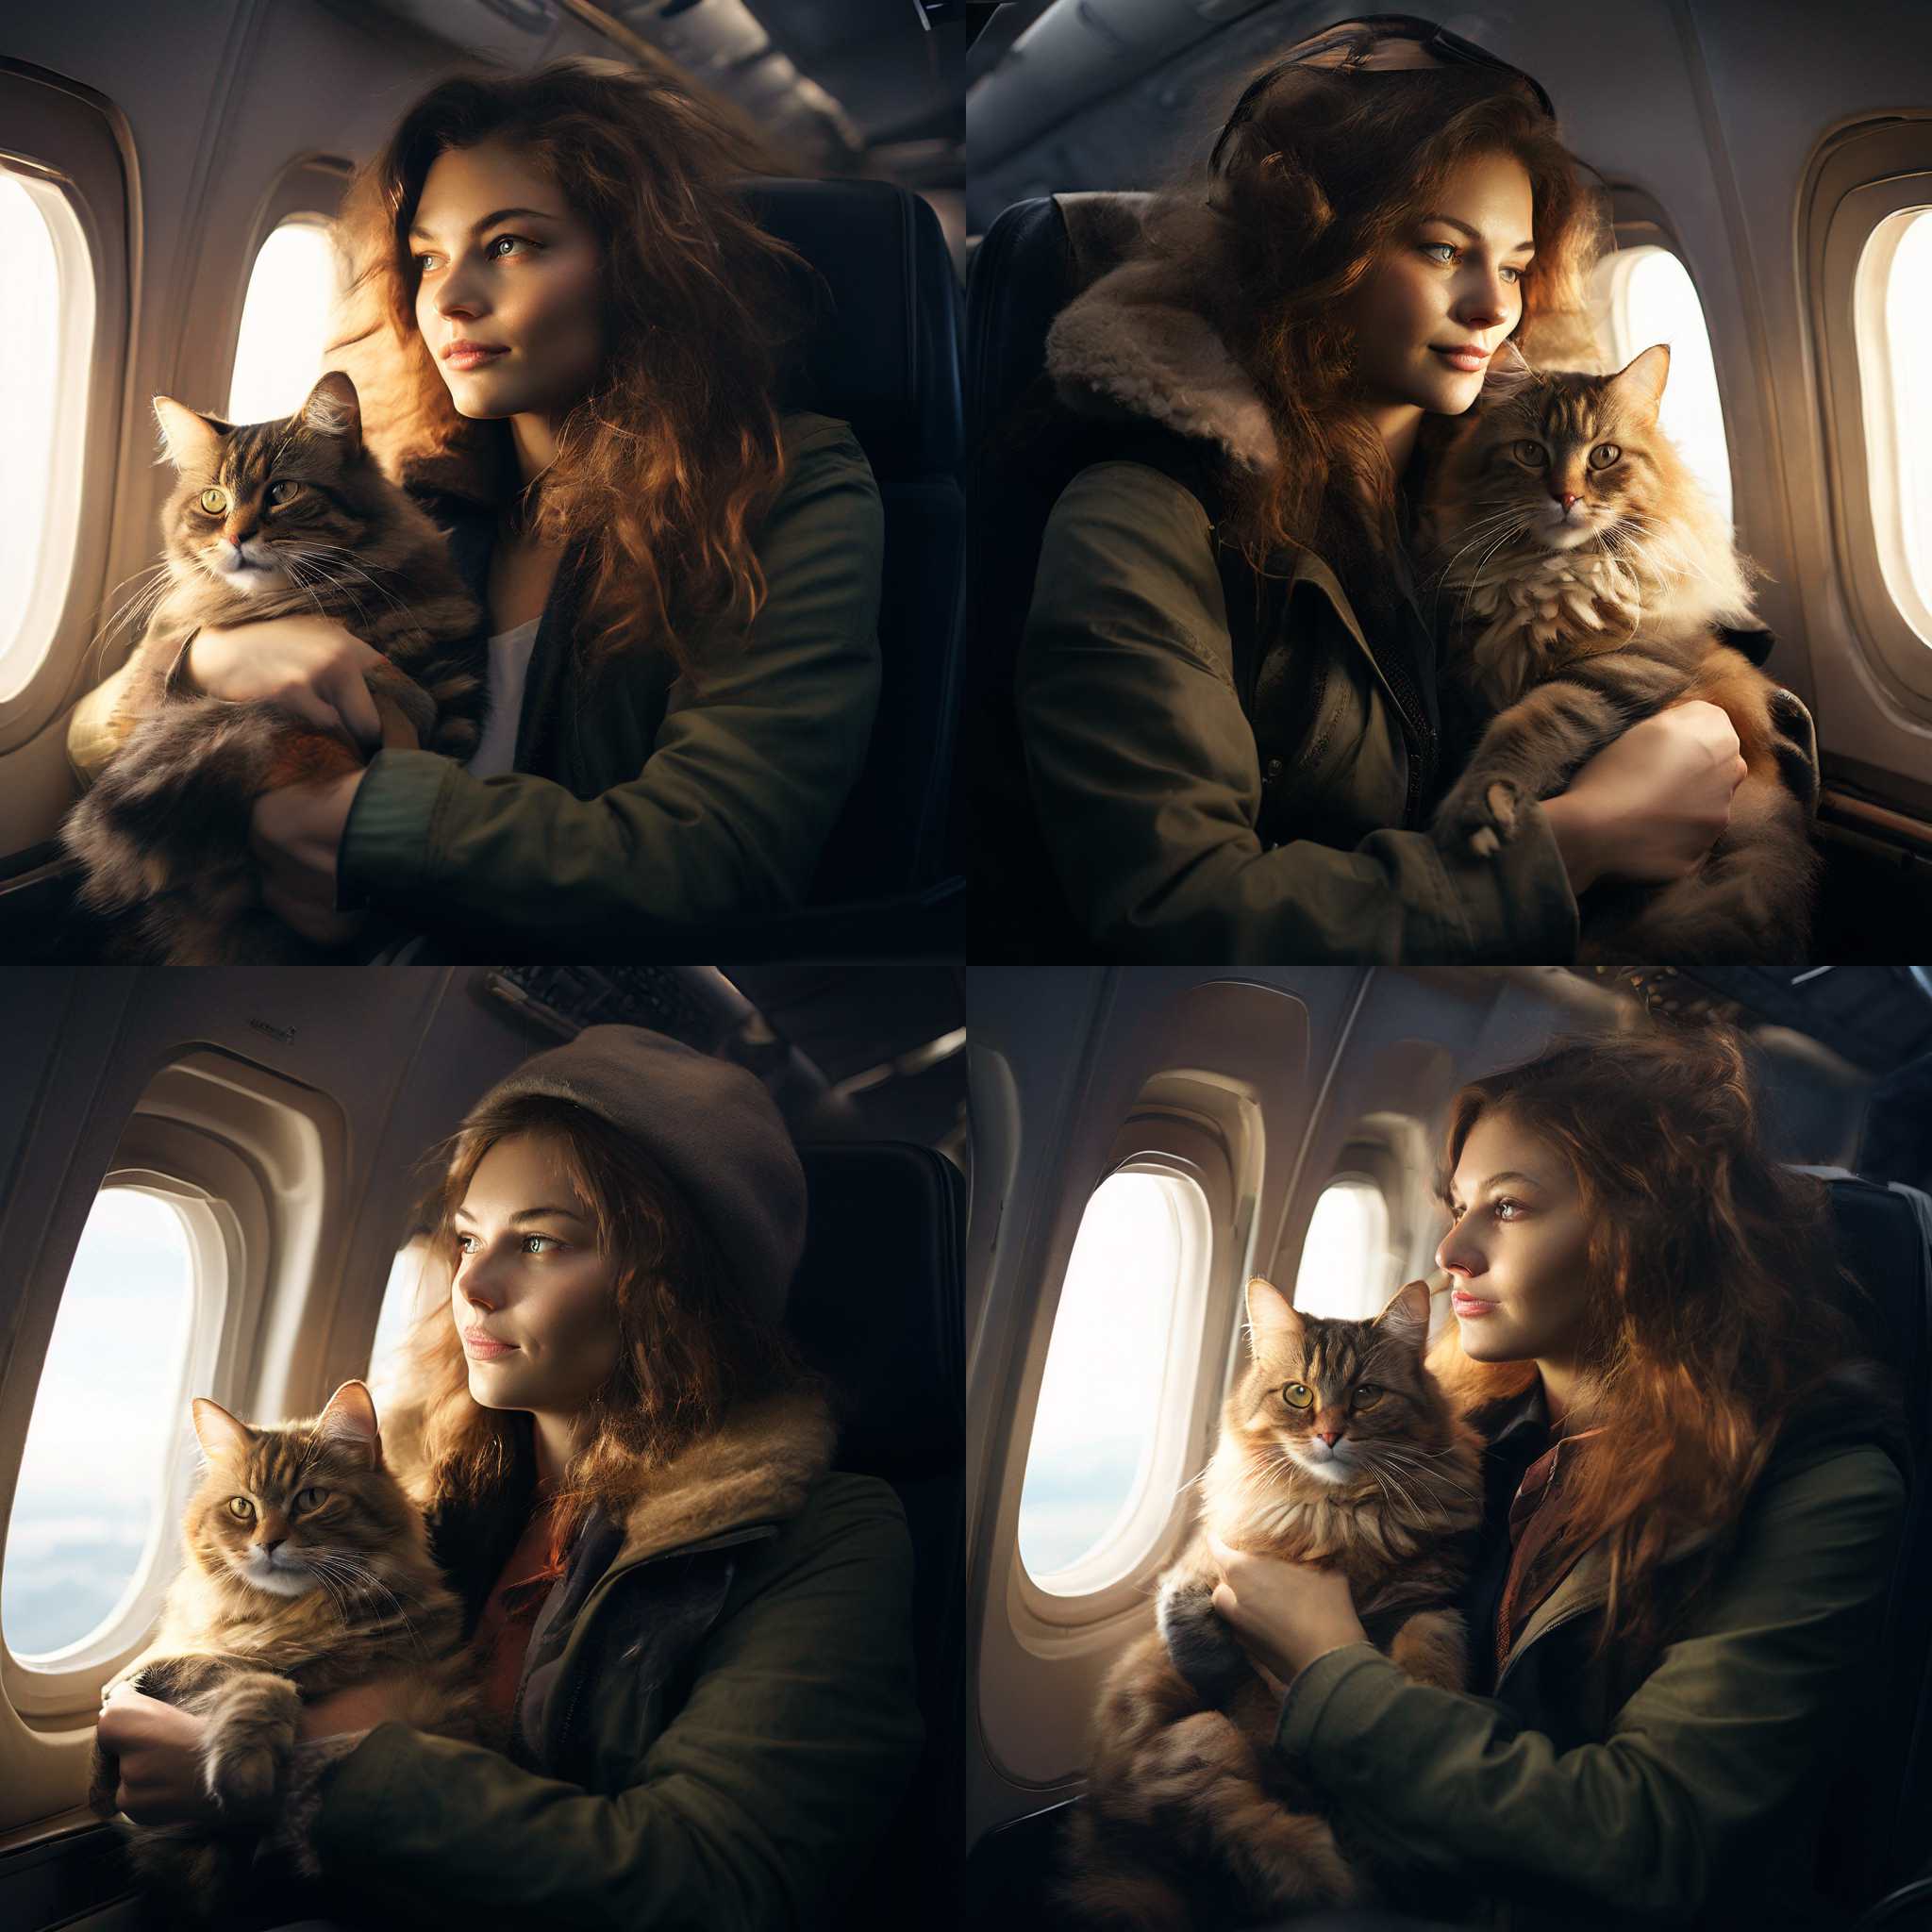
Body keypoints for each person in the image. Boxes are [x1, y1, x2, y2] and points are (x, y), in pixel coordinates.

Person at [95, 1024, 923, 1929]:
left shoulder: (828, 1538)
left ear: (675, 1285)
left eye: (538, 1244)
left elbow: (714, 1882)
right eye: (465, 1238)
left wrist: (310, 1768)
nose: (473, 1286)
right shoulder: (409, 1499)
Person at [67, 57, 883, 958]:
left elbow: (709, 855)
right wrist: (209, 655)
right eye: (426, 258)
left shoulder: (781, 485)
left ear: (642, 266)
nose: (449, 297)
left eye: (510, 245)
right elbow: (93, 734)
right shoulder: (411, 493)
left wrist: (351, 813)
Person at [1008, 15, 1785, 963]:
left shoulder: (1495, 475)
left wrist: (1723, 734)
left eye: (1511, 264)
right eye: (1440, 250)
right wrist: (1576, 840)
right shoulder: (1138, 519)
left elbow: (1683, 655)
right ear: (1307, 247)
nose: (1494, 306)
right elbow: (1177, 907)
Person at [1201, 1025, 1908, 1928]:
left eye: (1506, 1207)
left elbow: (1650, 1838)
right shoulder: (1453, 1429)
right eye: (1454, 1204)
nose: (1451, 1247)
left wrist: (1326, 1667)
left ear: (1645, 1231)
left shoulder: (1819, 1486)